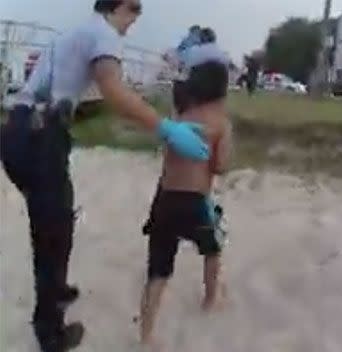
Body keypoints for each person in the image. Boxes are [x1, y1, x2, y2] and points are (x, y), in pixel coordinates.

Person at [0, 1, 210, 351]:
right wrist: (166, 128)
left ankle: (58, 291)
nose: (135, 20)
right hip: (40, 139)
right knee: (52, 233)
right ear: (119, 7)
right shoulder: (104, 33)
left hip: (19, 133)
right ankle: (49, 332)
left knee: (56, 222)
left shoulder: (77, 33)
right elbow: (113, 90)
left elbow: (84, 94)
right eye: (134, 10)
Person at [139, 43, 232, 350]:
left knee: (158, 271)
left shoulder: (179, 119)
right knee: (213, 249)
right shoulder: (220, 121)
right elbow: (220, 166)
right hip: (196, 201)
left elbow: (167, 156)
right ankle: (209, 299)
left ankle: (147, 335)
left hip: (165, 199)